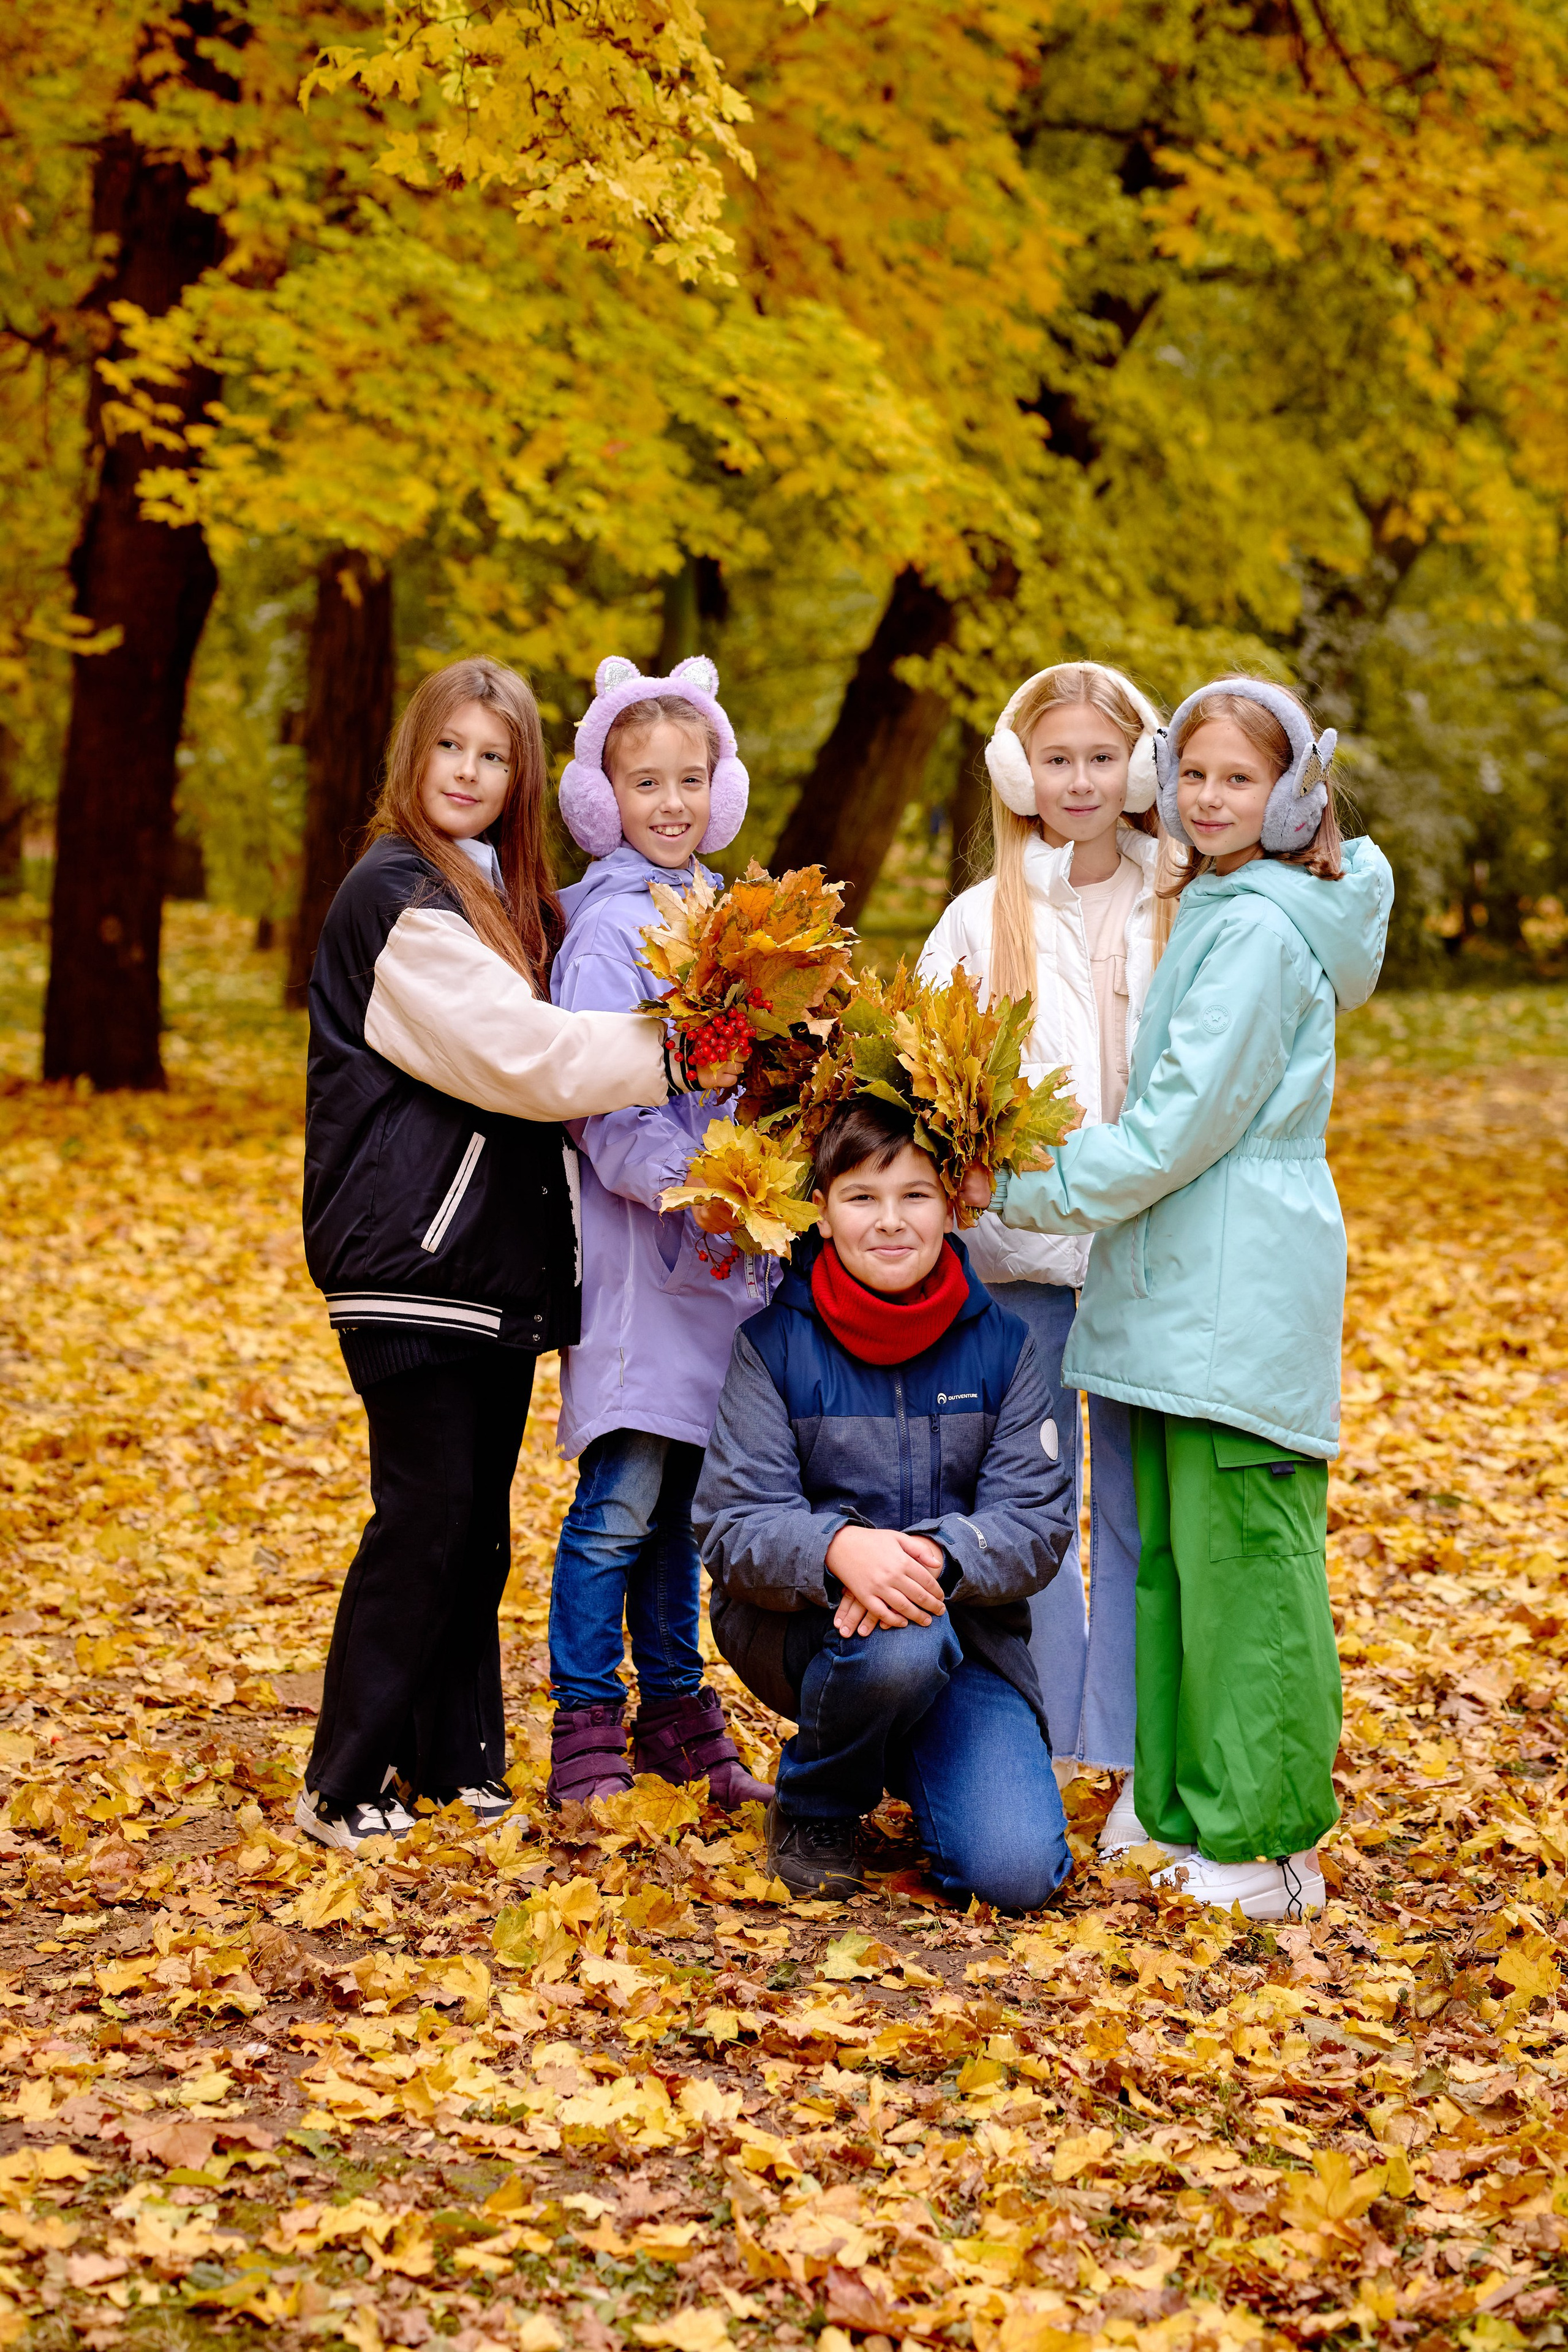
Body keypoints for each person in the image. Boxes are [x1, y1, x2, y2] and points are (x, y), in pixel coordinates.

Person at [298, 657, 739, 1852]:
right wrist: (687, 1045)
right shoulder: (396, 898)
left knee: (473, 1521)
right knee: (425, 1517)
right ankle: (342, 1778)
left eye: (493, 758)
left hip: (483, 1263)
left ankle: (452, 1761)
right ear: (412, 757)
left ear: (523, 778)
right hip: (412, 1248)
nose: (469, 775)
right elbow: (526, 1059)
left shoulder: (488, 891)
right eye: (451, 750)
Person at [982, 676, 1393, 1921]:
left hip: (1231, 1278)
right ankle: (1173, 1801)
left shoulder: (1265, 930)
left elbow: (1174, 1129)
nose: (1212, 799)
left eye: (1240, 779)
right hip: (1171, 1283)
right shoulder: (1211, 902)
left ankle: (1264, 1840)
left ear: (1291, 796)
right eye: (1198, 774)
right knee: (1169, 1560)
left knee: (1241, 1568)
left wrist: (1018, 1188)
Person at [694, 1095, 1075, 1910]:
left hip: (966, 1637)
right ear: (822, 1214)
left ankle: (914, 1750)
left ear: (951, 1208)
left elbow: (1036, 1524)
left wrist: (932, 1557)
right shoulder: (773, 1346)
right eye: (862, 1197)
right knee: (902, 1644)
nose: (890, 1221)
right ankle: (819, 1804)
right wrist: (837, 1551)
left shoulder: (1004, 1346)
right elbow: (731, 1524)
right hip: (800, 1628)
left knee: (1014, 1876)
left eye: (915, 1195)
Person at [918, 662, 1171, 1855]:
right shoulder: (980, 919)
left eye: (1099, 757)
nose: (1078, 780)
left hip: (1143, 1261)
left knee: (1131, 1509)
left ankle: (1119, 1750)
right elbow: (926, 1077)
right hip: (1013, 1267)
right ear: (1021, 772)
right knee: (1027, 1507)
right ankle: (1041, 1735)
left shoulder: (1177, 902)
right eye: (1056, 758)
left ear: (1139, 766)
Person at [545, 655, 774, 1809]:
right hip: (646, 1269)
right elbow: (601, 1111)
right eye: (647, 784)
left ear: (721, 789)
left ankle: (676, 1714)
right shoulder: (606, 938)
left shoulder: (737, 921)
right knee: (619, 1506)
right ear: (604, 799)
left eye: (691, 779)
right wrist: (705, 1182)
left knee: (683, 1511)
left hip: (725, 1269)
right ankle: (584, 1718)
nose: (673, 803)